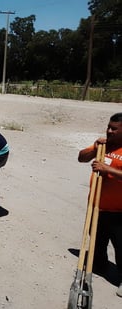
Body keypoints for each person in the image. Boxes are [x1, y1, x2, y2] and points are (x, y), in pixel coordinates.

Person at [78, 112, 122, 297]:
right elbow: (81, 157)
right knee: (97, 243)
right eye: (108, 127)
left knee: (121, 247)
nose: (109, 131)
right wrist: (94, 148)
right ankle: (99, 266)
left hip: (119, 211)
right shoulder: (105, 146)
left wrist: (108, 169)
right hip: (96, 207)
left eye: (114, 129)